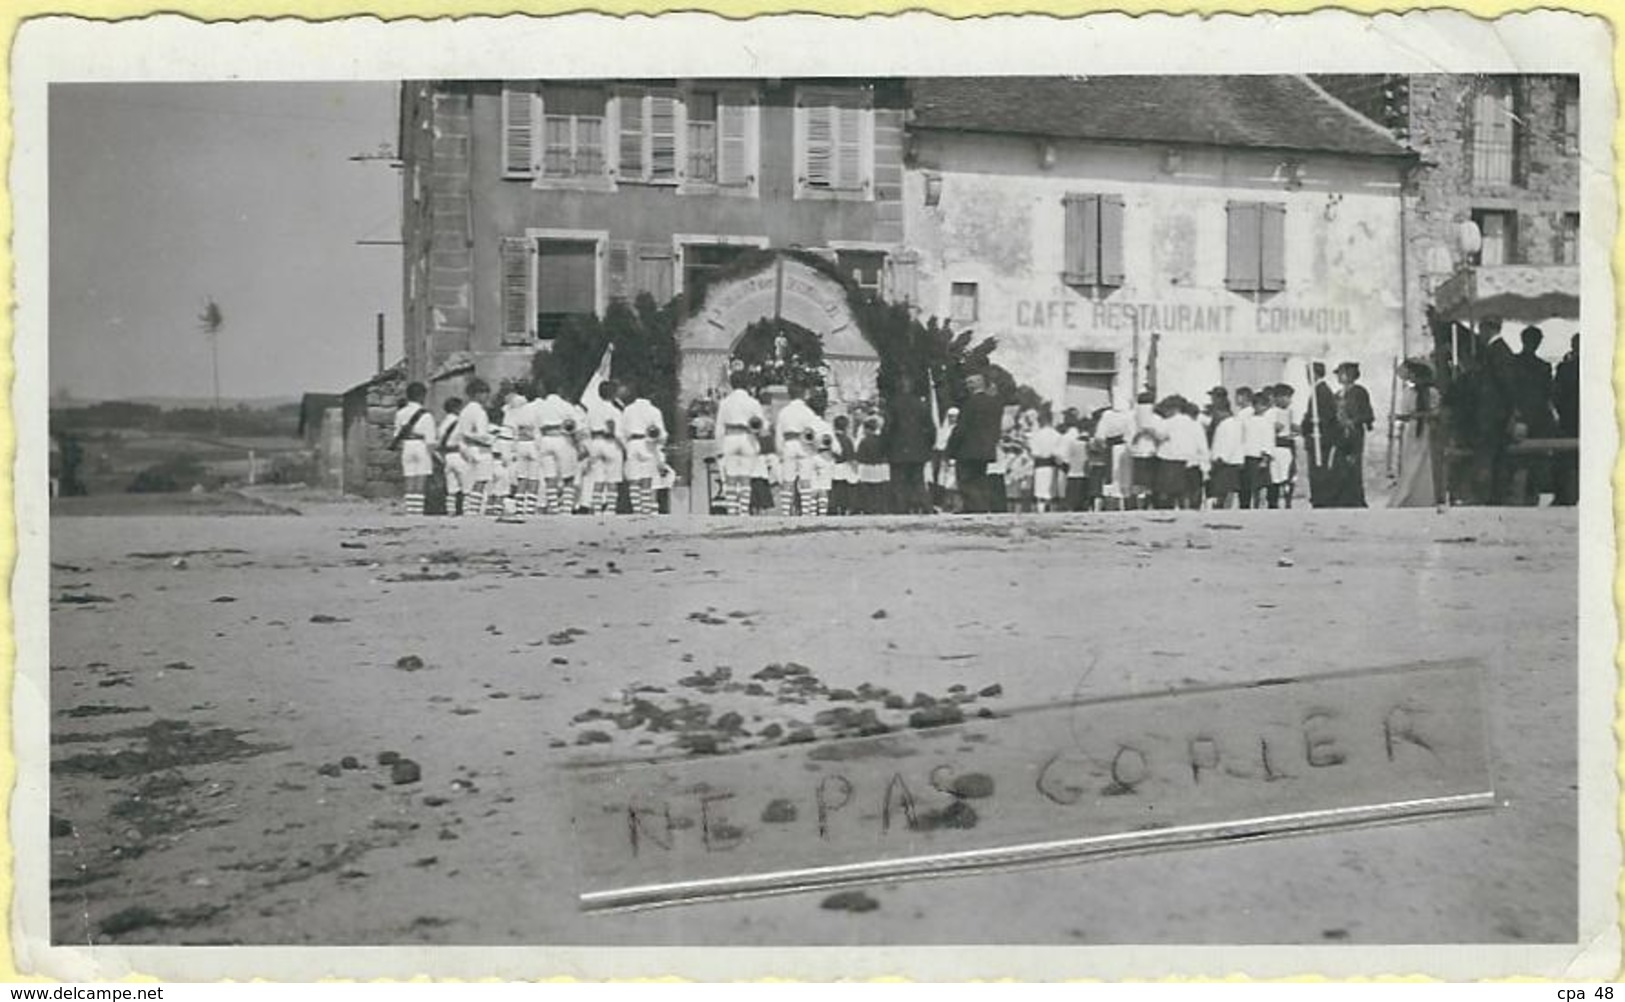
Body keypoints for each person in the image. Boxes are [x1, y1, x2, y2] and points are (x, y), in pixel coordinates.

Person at [947, 374, 1003, 514]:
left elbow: (961, 429)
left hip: (967, 449)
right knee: (980, 480)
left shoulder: (969, 403)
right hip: (986, 449)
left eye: (970, 382)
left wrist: (951, 449)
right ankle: (980, 507)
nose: (967, 385)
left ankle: (974, 508)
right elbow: (996, 428)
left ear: (977, 384)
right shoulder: (994, 404)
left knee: (966, 481)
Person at [1390, 360, 1441, 508]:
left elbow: (1435, 412)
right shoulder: (1408, 393)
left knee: (1423, 462)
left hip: (1426, 429)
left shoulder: (1431, 393)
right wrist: (1400, 417)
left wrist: (1422, 415)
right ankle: (1407, 494)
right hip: (1412, 430)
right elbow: (1406, 414)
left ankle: (1423, 496)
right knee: (1409, 461)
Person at [715, 370, 766, 516]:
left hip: (730, 438)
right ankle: (744, 510)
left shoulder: (725, 403)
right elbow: (762, 425)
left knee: (730, 476)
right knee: (745, 477)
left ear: (731, 383)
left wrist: (719, 447)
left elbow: (719, 426)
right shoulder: (753, 402)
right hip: (747, 438)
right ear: (747, 384)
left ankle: (732, 510)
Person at [886, 373, 936, 515]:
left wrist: (885, 447)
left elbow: (889, 428)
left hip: (898, 450)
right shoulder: (922, 405)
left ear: (898, 387)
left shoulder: (893, 405)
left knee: (899, 482)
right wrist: (928, 445)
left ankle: (901, 509)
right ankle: (926, 507)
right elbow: (931, 429)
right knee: (918, 481)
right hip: (919, 450)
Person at [1331, 361, 1375, 507]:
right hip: (1339, 433)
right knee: (1340, 464)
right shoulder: (1337, 394)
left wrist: (1353, 421)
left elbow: (1367, 413)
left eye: (1342, 373)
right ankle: (1342, 497)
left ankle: (1355, 498)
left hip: (1354, 432)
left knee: (1353, 463)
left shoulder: (1359, 392)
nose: (1339, 376)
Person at [619, 379, 667, 516]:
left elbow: (622, 431)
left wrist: (625, 446)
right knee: (646, 478)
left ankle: (637, 509)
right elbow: (661, 432)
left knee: (634, 478)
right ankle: (646, 510)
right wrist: (659, 442)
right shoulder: (654, 411)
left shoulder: (627, 410)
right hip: (648, 443)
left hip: (632, 443)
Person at [392, 381, 439, 516]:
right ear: (422, 396)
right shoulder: (426, 415)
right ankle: (417, 510)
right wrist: (433, 455)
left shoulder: (400, 413)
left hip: (407, 445)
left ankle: (409, 510)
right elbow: (430, 440)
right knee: (420, 478)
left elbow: (397, 434)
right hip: (421, 445)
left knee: (409, 476)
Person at [774, 382, 818, 516]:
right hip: (803, 443)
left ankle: (786, 511)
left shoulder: (784, 412)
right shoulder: (808, 412)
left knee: (788, 478)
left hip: (789, 443)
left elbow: (779, 432)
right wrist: (812, 447)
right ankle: (805, 511)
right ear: (804, 395)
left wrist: (780, 450)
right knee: (805, 478)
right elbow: (812, 432)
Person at [454, 377, 495, 517]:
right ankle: (474, 510)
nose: (486, 395)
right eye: (484, 392)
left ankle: (469, 509)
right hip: (481, 449)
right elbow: (481, 434)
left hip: (468, 449)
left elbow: (461, 432)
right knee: (481, 480)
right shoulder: (479, 411)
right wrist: (493, 438)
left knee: (470, 481)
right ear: (476, 394)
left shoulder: (464, 411)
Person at [582, 380, 624, 516]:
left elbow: (585, 429)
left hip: (595, 441)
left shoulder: (591, 410)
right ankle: (610, 509)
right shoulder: (615, 411)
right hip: (609, 442)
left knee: (598, 477)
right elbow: (618, 432)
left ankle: (597, 508)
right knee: (612, 477)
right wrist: (624, 448)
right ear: (613, 394)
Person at [1302, 363, 1341, 507]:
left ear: (1315, 374)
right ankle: (1318, 497)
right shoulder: (1318, 390)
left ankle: (1321, 498)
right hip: (1316, 438)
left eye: (1308, 373)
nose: (1307, 377)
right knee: (1316, 469)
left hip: (1320, 439)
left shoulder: (1322, 391)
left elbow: (1324, 416)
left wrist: (1308, 427)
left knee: (1319, 469)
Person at [1553, 334, 1580, 505]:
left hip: (1568, 417)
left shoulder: (1565, 368)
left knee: (1567, 458)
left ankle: (1566, 494)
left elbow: (1556, 393)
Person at [1127, 391, 1165, 510]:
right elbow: (1128, 439)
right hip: (1138, 453)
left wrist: (1152, 433)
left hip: (1152, 452)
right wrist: (1138, 434)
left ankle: (1150, 503)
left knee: (1150, 482)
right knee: (1139, 482)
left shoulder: (1157, 419)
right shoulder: (1132, 418)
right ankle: (1138, 504)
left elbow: (1162, 437)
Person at [1026, 409, 1065, 513]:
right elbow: (1059, 453)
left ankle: (1041, 511)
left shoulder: (1036, 435)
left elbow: (1034, 453)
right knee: (1051, 492)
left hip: (1040, 465)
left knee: (1040, 491)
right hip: (1052, 465)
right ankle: (1052, 512)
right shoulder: (1057, 435)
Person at [1207, 401, 1244, 509]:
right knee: (1224, 490)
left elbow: (1229, 443)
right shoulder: (1229, 423)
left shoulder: (1228, 425)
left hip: (1226, 462)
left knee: (1225, 489)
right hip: (1227, 461)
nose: (1214, 415)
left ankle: (1225, 509)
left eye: (1215, 412)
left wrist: (1221, 458)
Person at [855, 414, 891, 514]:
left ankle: (870, 508)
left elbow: (860, 456)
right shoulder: (882, 440)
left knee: (869, 490)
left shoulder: (864, 441)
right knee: (881, 489)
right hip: (882, 467)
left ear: (867, 429)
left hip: (868, 468)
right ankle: (882, 508)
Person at [437, 397, 467, 516]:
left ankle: (451, 510)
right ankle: (466, 510)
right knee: (466, 485)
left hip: (446, 455)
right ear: (457, 408)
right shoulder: (459, 422)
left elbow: (439, 442)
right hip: (458, 454)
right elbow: (462, 440)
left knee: (451, 487)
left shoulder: (442, 424)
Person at [932, 407, 960, 512]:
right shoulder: (944, 429)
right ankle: (944, 503)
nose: (953, 419)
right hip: (944, 458)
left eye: (955, 417)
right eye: (951, 417)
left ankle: (955, 504)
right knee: (943, 481)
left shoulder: (958, 429)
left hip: (955, 458)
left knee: (953, 482)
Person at [830, 414, 858, 515]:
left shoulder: (831, 439)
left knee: (834, 490)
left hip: (832, 467)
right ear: (846, 427)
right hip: (844, 467)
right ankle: (843, 508)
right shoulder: (847, 440)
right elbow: (850, 456)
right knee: (843, 490)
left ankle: (833, 508)